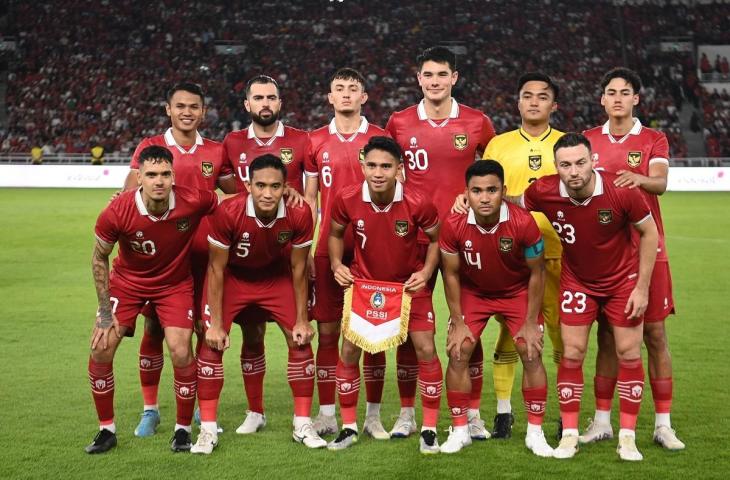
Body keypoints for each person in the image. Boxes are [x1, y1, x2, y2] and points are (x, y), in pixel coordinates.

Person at [522, 132, 658, 461]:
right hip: (577, 281)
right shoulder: (543, 190)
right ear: (556, 167)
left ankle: (627, 437)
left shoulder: (622, 191)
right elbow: (514, 203)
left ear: (593, 161)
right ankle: (569, 436)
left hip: (622, 282)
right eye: (565, 165)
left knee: (628, 352)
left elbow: (650, 232)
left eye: (581, 162)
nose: (574, 171)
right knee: (572, 353)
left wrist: (642, 288)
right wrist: (468, 199)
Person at [384, 46, 495, 439]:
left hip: (464, 239)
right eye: (428, 75)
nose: (434, 81)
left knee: (471, 328)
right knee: (409, 331)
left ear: (454, 78)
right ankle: (407, 414)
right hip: (412, 241)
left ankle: (474, 414)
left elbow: (490, 173)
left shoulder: (478, 122)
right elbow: (387, 169)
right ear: (419, 79)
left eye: (441, 74)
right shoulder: (398, 122)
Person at [86, 145, 219, 454]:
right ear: (139, 178)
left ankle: (183, 430)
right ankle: (106, 430)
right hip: (128, 283)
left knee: (180, 350)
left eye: (165, 174)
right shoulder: (117, 211)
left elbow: (225, 204)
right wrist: (106, 314)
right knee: (102, 346)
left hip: (174, 284)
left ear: (173, 176)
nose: (159, 181)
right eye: (151, 175)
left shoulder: (192, 199)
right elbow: (98, 259)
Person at [452, 72, 564, 439]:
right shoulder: (498, 145)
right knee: (510, 336)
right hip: (510, 259)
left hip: (561, 253)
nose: (534, 102)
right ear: (517, 103)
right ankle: (503, 411)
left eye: (542, 96)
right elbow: (480, 185)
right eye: (527, 96)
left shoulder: (565, 146)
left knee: (561, 337)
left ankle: (566, 412)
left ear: (553, 105)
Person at [122, 82, 236, 438]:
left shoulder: (216, 152)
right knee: (154, 328)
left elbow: (238, 198)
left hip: (203, 256)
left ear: (203, 112)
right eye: (180, 106)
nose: (187, 112)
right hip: (161, 259)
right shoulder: (150, 148)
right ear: (168, 109)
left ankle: (202, 404)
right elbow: (128, 197)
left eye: (194, 107)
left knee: (204, 327)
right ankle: (150, 410)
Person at [192, 154, 324, 454]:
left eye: (275, 186)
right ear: (248, 185)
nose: (267, 193)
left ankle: (302, 424)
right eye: (260, 185)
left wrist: (302, 319)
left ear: (285, 186)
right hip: (233, 278)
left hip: (275, 278)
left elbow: (300, 268)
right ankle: (209, 430)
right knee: (213, 343)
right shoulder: (228, 211)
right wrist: (214, 323)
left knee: (300, 339)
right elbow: (215, 268)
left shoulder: (301, 212)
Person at [582, 67, 684, 450]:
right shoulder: (588, 140)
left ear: (636, 99)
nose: (619, 98)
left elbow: (660, 182)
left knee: (655, 336)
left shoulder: (653, 138)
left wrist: (635, 178)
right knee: (608, 338)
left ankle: (662, 424)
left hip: (648, 251)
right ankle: (603, 422)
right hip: (606, 254)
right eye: (612, 92)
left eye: (626, 92)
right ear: (603, 99)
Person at [326, 136, 442, 454]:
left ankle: (429, 428)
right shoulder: (346, 198)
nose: (378, 172)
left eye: (386, 166)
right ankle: (349, 426)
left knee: (425, 347)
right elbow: (335, 233)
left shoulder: (418, 201)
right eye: (372, 165)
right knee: (349, 351)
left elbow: (435, 239)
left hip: (407, 287)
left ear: (399, 169)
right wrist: (337, 263)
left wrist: (427, 272)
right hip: (365, 286)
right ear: (362, 165)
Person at [439, 160, 552, 457]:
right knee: (458, 350)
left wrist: (530, 321)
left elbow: (537, 272)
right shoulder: (453, 224)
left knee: (530, 350)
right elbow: (449, 273)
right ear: (467, 192)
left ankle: (535, 433)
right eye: (477, 191)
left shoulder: (523, 221)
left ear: (503, 190)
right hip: (474, 292)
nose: (485, 197)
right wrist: (457, 320)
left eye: (492, 190)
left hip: (516, 292)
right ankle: (461, 430)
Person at [220, 75, 312, 434]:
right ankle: (255, 412)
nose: (265, 103)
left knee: (298, 334)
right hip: (245, 256)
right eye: (258, 97)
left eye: (271, 97)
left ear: (280, 102)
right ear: (247, 104)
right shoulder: (231, 142)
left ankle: (302, 419)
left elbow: (311, 192)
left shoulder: (301, 141)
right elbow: (230, 190)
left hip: (288, 255)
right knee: (252, 334)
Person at [304, 68, 390, 439]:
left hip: (374, 247)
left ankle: (372, 416)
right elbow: (310, 198)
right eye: (339, 89)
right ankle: (327, 414)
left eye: (353, 89)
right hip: (327, 246)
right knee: (326, 330)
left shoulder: (380, 138)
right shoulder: (315, 140)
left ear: (363, 97)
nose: (345, 95)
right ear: (329, 97)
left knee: (375, 330)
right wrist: (308, 245)